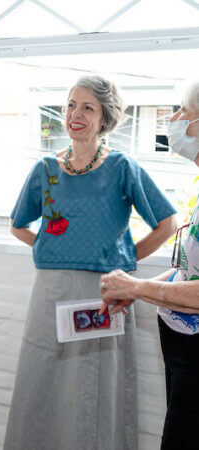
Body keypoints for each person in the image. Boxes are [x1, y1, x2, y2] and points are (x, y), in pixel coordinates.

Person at [4, 74, 178, 450]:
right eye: (70, 104)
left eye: (87, 107)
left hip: (101, 294)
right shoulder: (45, 171)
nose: (75, 113)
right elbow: (18, 226)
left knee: (93, 389)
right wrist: (51, 248)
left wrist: (125, 259)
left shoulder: (122, 167)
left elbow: (168, 223)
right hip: (49, 292)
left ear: (104, 119)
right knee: (42, 380)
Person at [100, 81, 199, 450]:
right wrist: (137, 289)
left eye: (184, 112)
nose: (174, 121)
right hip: (181, 346)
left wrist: (138, 288)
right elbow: (189, 270)